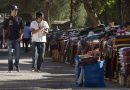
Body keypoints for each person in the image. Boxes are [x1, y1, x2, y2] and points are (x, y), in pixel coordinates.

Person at [3, 5, 23, 72]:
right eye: (15, 10)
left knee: (17, 55)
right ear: (11, 11)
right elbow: (4, 30)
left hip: (17, 40)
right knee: (10, 54)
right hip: (9, 40)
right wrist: (3, 39)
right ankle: (10, 68)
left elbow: (21, 29)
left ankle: (17, 65)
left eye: (17, 10)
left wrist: (21, 37)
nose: (16, 11)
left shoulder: (19, 19)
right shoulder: (7, 19)